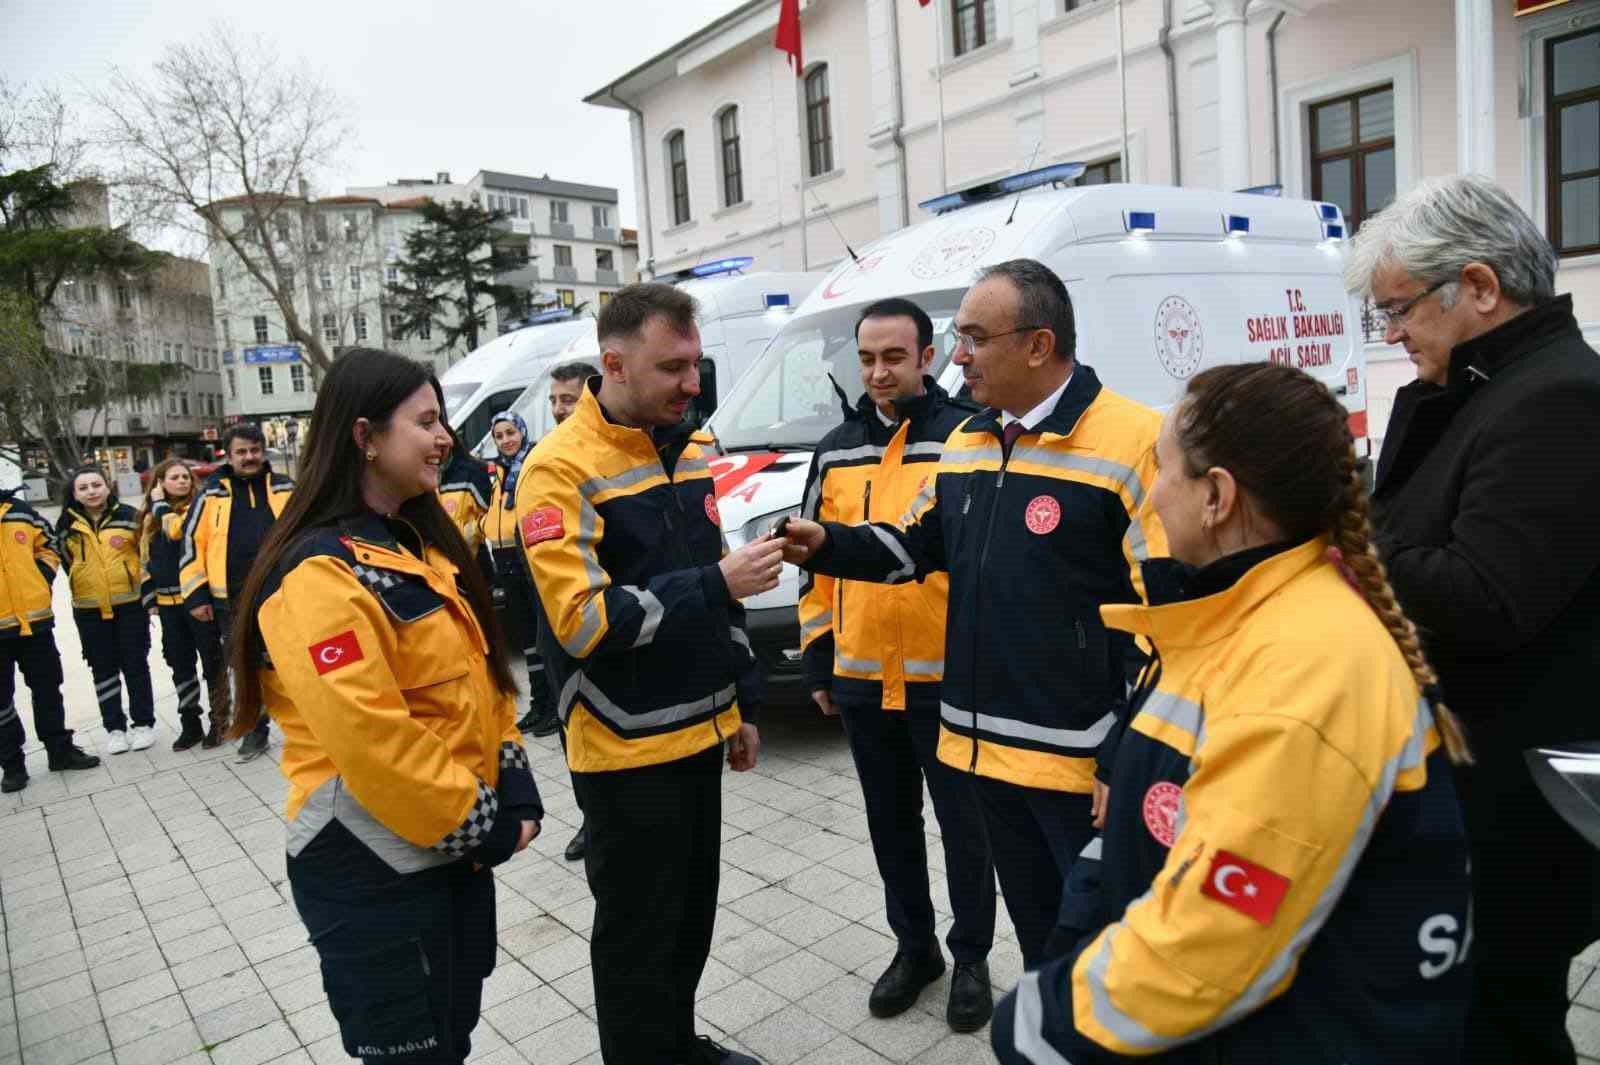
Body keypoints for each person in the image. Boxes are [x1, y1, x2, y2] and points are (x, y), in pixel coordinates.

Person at [990, 362, 1474, 1063]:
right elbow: (1148, 808)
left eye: (1162, 468)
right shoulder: (1231, 612)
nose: (1151, 493)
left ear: (1216, 495)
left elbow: (1211, 940)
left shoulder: (1303, 666)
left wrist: (1039, 1028)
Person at [781, 259, 1166, 970]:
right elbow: (914, 546)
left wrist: (1127, 754)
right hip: (981, 750)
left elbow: (1166, 620)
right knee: (1039, 946)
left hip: (1081, 767)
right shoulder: (968, 444)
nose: (957, 357)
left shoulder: (1134, 441)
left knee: (1105, 949)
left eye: (974, 338)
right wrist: (828, 544)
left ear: (1038, 345)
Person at [227, 349, 544, 1065]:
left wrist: (513, 770)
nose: (446, 437)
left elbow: (480, 682)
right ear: (365, 435)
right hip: (370, 871)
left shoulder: (412, 544)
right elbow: (372, 739)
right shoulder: (317, 573)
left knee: (451, 1037)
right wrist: (485, 823)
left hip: (446, 859)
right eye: (427, 421)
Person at [1348, 174, 1600, 1065]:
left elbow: (1485, 601)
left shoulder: (1559, 398)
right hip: (1470, 782)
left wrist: (1352, 535)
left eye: (1400, 309)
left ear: (1481, 288)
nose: (1393, 333)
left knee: (1504, 1022)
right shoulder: (1480, 384)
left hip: (1516, 809)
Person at [516, 283, 780, 1065]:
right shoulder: (555, 470)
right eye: (673, 368)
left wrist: (743, 700)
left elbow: (715, 582)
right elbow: (583, 621)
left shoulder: (691, 447)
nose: (692, 384)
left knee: (691, 919)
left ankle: (677, 1044)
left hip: (701, 731)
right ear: (615, 363)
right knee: (637, 937)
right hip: (625, 749)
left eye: (695, 364)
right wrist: (714, 585)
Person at [797, 296, 997, 1031]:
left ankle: (972, 953)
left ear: (927, 357)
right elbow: (812, 564)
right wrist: (820, 658)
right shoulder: (836, 449)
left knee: (965, 826)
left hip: (945, 677)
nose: (879, 372)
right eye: (867, 358)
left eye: (894, 357)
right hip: (861, 678)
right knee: (891, 825)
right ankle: (916, 949)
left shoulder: (966, 438)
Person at [180, 424, 293, 762]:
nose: (249, 457)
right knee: (246, 667)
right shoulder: (211, 494)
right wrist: (197, 596)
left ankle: (306, 725)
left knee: (294, 660)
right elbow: (191, 545)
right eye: (241, 452)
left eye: (255, 450)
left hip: (285, 593)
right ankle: (255, 732)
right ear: (228, 456)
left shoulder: (287, 487)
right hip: (232, 599)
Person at [537, 360, 599, 861]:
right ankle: (589, 816)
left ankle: (604, 814)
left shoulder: (599, 458)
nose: (560, 409)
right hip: (551, 621)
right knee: (568, 723)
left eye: (570, 399)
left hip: (595, 617)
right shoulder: (544, 460)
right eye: (555, 400)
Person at [0, 485, 99, 792]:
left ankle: (60, 751)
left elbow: (50, 545)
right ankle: (12, 765)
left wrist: (39, 578)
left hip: (36, 622)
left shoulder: (21, 511)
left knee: (48, 689)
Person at [56, 465, 158, 755]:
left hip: (129, 607)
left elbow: (144, 555)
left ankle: (143, 724)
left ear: (107, 486)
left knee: (135, 665)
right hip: (89, 611)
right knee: (103, 670)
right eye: (84, 487)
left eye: (96, 485)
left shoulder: (129, 517)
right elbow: (67, 562)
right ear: (74, 493)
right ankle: (114, 728)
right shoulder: (66, 525)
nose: (91, 491)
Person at [138, 459, 230, 750]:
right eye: (174, 477)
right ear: (160, 483)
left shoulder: (198, 508)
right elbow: (143, 559)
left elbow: (178, 531)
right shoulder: (150, 518)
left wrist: (159, 505)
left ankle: (220, 720)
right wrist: (149, 596)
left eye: (185, 477)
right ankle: (190, 722)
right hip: (168, 605)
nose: (182, 482)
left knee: (212, 661)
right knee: (179, 664)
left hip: (198, 601)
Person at [482, 411, 559, 738]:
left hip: (526, 557)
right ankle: (539, 703)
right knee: (526, 639)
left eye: (510, 432)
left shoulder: (530, 465)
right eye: (499, 436)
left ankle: (554, 705)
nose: (506, 440)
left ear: (522, 431)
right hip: (504, 560)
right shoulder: (499, 473)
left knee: (543, 637)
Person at [546, 360, 592, 425]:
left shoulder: (608, 434)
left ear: (593, 402)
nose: (557, 410)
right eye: (553, 401)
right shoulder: (552, 435)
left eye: (567, 401)